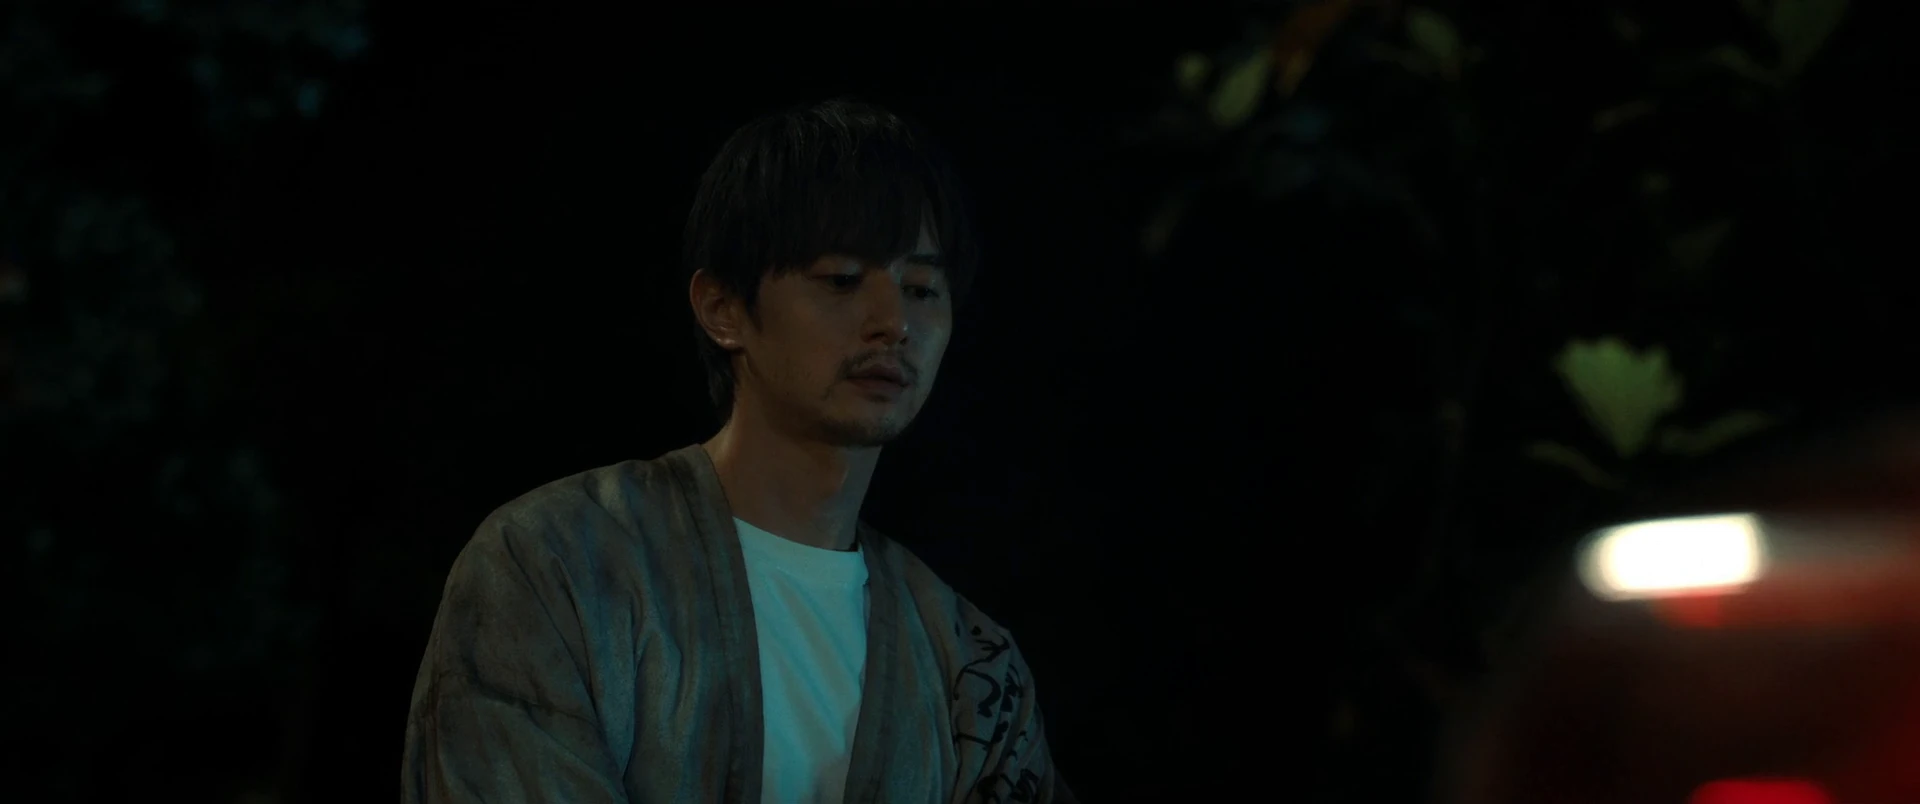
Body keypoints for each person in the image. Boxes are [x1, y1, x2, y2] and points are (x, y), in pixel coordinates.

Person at [400, 99, 1077, 804]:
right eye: (843, 279)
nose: (894, 322)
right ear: (723, 308)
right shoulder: (558, 563)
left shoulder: (968, 659)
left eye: (922, 289)